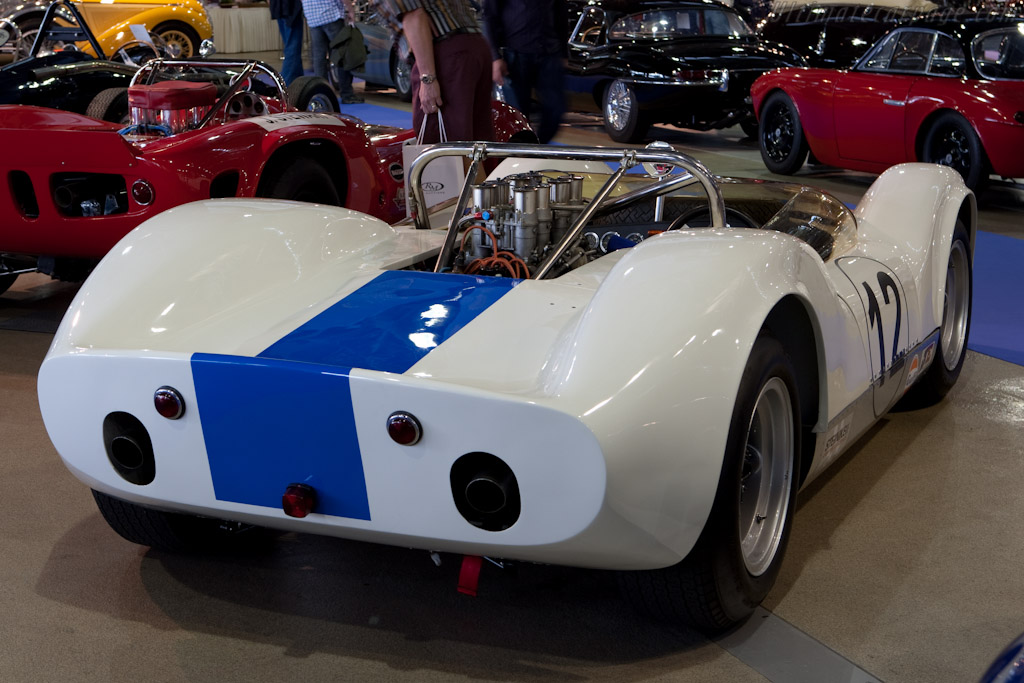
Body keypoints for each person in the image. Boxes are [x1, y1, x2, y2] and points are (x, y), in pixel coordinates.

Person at [378, 0, 493, 143]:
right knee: (476, 140)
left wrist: (428, 78)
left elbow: (415, 15)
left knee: (445, 144)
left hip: (447, 53)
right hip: (473, 44)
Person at [482, 0, 567, 144]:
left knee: (556, 108)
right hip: (515, 55)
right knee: (518, 116)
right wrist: (495, 58)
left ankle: (538, 147)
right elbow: (489, 16)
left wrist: (564, 53)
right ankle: (525, 154)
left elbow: (561, 13)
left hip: (549, 53)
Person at [301, 0, 363, 103]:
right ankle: (347, 94)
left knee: (319, 60)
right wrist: (350, 9)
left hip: (312, 18)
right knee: (342, 55)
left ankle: (322, 95)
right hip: (331, 15)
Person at [270, 0, 304, 85]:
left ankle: (298, 82)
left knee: (291, 48)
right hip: (290, 9)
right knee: (292, 49)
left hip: (280, 8)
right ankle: (285, 85)